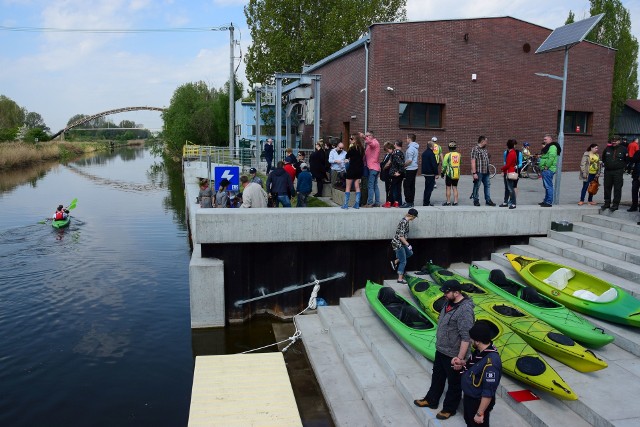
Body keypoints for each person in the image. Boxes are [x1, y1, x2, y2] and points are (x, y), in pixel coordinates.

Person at [414, 280, 475, 421]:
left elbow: (466, 337)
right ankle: (431, 400)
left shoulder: (465, 310)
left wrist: (460, 358)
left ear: (457, 292)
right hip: (441, 349)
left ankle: (449, 409)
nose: (444, 294)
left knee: (454, 383)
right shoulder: (448, 302)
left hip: (453, 354)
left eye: (446, 292)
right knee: (437, 376)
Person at [459, 321, 502, 427]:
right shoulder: (480, 352)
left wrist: (479, 413)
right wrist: (462, 363)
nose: (470, 341)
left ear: (477, 341)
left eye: (471, 339)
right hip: (470, 397)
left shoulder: (492, 362)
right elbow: (474, 366)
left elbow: (488, 391)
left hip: (477, 402)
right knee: (469, 422)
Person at [390, 208, 418, 283]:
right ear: (412, 216)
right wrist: (408, 244)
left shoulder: (406, 221)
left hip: (402, 243)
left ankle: (395, 261)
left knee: (410, 253)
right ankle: (400, 279)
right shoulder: (404, 222)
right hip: (398, 244)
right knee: (403, 261)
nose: (414, 219)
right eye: (414, 217)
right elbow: (401, 236)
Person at [601, 136, 628, 211]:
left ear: (619, 141)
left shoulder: (623, 149)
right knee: (607, 187)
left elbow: (627, 160)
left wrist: (622, 168)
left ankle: (615, 204)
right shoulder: (607, 149)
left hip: (618, 172)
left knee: (617, 188)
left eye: (616, 141)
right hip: (608, 171)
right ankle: (607, 203)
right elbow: (603, 159)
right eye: (613, 140)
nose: (614, 142)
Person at [470, 136, 496, 206]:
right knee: (477, 186)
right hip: (479, 171)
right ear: (482, 141)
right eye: (486, 141)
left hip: (486, 171)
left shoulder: (484, 149)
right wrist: (474, 173)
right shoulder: (475, 149)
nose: (486, 143)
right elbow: (473, 161)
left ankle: (488, 200)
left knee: (487, 185)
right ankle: (476, 200)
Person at [538, 134, 561, 207]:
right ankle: (546, 200)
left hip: (548, 169)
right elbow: (547, 156)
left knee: (548, 186)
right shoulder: (549, 147)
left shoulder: (552, 147)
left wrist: (546, 166)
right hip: (546, 169)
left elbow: (551, 157)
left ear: (550, 140)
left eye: (546, 139)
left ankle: (548, 202)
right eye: (544, 139)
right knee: (546, 186)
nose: (544, 140)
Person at [343, 134, 365, 209]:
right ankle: (357, 204)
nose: (350, 140)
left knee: (348, 187)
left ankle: (345, 204)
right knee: (357, 186)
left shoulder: (352, 148)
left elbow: (346, 157)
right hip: (359, 169)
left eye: (351, 138)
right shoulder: (362, 148)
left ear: (355, 140)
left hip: (352, 169)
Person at [385, 140, 405, 208]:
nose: (393, 145)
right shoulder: (401, 153)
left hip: (395, 173)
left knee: (392, 188)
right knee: (398, 189)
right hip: (399, 173)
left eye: (394, 144)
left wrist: (398, 172)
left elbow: (400, 163)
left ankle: (389, 203)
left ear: (396, 144)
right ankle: (397, 202)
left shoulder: (396, 152)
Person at [364, 130, 381, 207]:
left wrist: (364, 137)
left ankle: (370, 202)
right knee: (375, 185)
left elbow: (371, 143)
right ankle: (377, 202)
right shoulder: (371, 144)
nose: (366, 137)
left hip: (372, 168)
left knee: (370, 186)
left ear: (372, 136)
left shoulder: (374, 142)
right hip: (375, 167)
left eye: (368, 136)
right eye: (366, 136)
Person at [402, 134, 419, 208]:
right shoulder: (415, 147)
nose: (406, 139)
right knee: (412, 185)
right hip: (414, 167)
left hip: (410, 168)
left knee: (407, 185)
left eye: (407, 138)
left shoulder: (410, 148)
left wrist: (403, 165)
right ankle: (411, 201)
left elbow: (409, 160)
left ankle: (408, 201)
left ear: (409, 139)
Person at [441, 141, 461, 206]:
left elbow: (444, 165)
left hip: (449, 174)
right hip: (456, 173)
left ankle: (448, 202)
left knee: (448, 187)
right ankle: (455, 201)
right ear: (455, 148)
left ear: (449, 148)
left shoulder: (447, 155)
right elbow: (460, 163)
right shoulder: (459, 155)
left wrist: (442, 172)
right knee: (455, 187)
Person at [500, 140, 517, 209]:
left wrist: (502, 169)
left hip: (508, 172)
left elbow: (508, 164)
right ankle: (506, 202)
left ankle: (513, 203)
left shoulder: (511, 153)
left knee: (510, 188)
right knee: (508, 188)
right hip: (509, 171)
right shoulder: (513, 152)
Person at [421, 140, 438, 206]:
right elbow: (434, 164)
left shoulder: (424, 153)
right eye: (433, 146)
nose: (434, 147)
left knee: (426, 187)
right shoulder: (431, 154)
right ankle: (426, 202)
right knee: (429, 188)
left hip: (425, 172)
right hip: (430, 173)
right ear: (431, 146)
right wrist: (436, 173)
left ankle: (425, 201)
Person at [380, 142, 394, 207]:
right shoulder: (387, 154)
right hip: (385, 173)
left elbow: (389, 164)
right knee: (387, 188)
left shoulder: (391, 155)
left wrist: (384, 167)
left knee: (389, 188)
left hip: (389, 173)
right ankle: (387, 201)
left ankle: (389, 201)